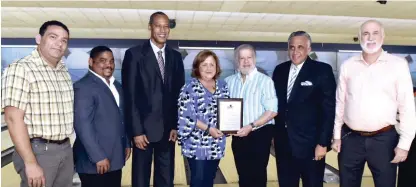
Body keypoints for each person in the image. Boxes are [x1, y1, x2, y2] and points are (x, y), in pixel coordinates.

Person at [331, 20, 416, 187]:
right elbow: (340, 102)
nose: (370, 38)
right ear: (360, 37)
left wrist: (404, 144)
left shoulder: (398, 65)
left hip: (384, 140)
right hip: (350, 139)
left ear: (383, 37)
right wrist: (336, 135)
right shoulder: (348, 66)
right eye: (366, 33)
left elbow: (407, 107)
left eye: (375, 33)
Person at [2, 20, 73, 187]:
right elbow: (13, 119)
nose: (59, 44)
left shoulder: (63, 72)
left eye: (64, 40)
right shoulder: (21, 68)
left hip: (65, 149)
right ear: (39, 39)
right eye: (53, 37)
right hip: (38, 151)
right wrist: (30, 162)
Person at [122, 11, 185, 187]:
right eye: (158, 25)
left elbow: (177, 96)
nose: (162, 30)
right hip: (143, 132)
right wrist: (136, 131)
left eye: (166, 26)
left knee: (166, 179)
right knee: (141, 180)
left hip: (167, 132)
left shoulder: (176, 57)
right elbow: (130, 96)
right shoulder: (134, 55)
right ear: (150, 27)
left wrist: (174, 125)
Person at [272, 31, 336, 187]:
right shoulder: (279, 70)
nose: (295, 51)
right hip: (284, 144)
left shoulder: (322, 71)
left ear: (309, 49)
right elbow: (276, 105)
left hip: (311, 145)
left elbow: (329, 109)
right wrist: (273, 136)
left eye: (300, 47)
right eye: (292, 47)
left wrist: (323, 143)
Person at [73, 46, 131, 187]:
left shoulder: (116, 86)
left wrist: (127, 143)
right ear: (91, 61)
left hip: (115, 157)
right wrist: (98, 156)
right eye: (102, 61)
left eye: (111, 61)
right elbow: (83, 125)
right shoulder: (83, 87)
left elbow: (122, 117)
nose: (108, 65)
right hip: (94, 161)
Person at [225, 44, 278, 187]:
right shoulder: (229, 82)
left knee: (257, 176)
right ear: (237, 60)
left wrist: (251, 125)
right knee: (243, 176)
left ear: (254, 59)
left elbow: (272, 111)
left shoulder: (265, 81)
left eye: (249, 57)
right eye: (242, 58)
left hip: (259, 134)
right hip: (238, 136)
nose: (246, 61)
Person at [177, 50, 229, 187]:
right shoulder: (189, 88)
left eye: (212, 65)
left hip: (216, 144)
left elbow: (228, 112)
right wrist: (208, 129)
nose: (208, 68)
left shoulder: (223, 86)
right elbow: (186, 116)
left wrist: (228, 128)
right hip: (196, 144)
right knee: (198, 180)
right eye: (204, 64)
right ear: (197, 67)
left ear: (217, 67)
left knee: (209, 179)